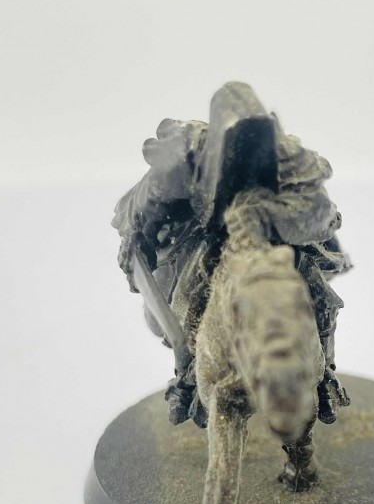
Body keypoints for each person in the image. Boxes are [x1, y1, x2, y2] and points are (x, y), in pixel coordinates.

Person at [112, 86, 352, 427]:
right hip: (210, 237)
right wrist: (139, 233)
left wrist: (271, 217)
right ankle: (187, 377)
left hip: (278, 243)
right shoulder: (188, 154)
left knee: (317, 298)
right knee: (188, 300)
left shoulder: (292, 163)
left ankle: (324, 373)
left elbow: (323, 215)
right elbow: (146, 199)